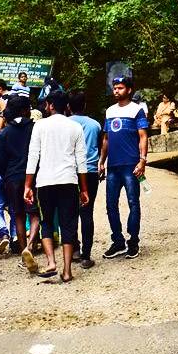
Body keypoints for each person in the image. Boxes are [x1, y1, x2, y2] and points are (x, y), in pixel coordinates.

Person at [24, 90, 88, 282]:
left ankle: (51, 262)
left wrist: (28, 185)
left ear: (50, 105)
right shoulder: (75, 127)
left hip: (45, 182)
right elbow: (81, 161)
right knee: (68, 224)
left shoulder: (40, 126)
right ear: (67, 106)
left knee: (46, 222)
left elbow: (33, 156)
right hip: (69, 181)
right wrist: (84, 189)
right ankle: (67, 270)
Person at [100, 76, 148, 259]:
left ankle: (133, 241)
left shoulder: (137, 110)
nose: (116, 91)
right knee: (111, 205)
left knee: (133, 203)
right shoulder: (110, 111)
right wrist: (101, 161)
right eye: (114, 88)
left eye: (120, 88)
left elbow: (143, 136)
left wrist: (142, 160)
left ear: (128, 90)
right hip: (113, 166)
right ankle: (118, 241)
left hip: (131, 165)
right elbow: (106, 138)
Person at [0, 96, 41, 267]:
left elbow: (0, 160)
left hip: (11, 177)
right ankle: (31, 246)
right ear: (25, 110)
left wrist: (6, 176)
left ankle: (22, 251)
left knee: (18, 214)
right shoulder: (35, 128)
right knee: (34, 214)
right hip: (32, 176)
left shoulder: (3, 133)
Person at [68, 92, 102, 268]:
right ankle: (86, 256)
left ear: (68, 106)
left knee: (70, 212)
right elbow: (97, 144)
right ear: (85, 105)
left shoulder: (66, 124)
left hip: (70, 173)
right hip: (89, 171)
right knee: (87, 212)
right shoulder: (95, 125)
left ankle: (74, 248)